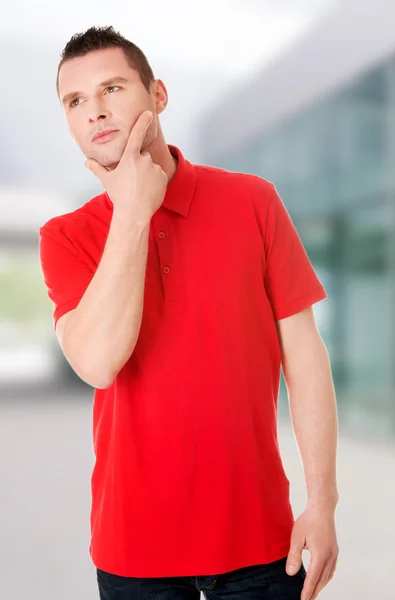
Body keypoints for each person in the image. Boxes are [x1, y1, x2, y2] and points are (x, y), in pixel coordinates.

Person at [39, 25, 339, 600]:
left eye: (113, 89)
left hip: (263, 545)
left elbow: (305, 359)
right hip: (134, 554)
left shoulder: (254, 200)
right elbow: (99, 363)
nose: (95, 112)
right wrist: (132, 212)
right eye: (75, 102)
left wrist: (322, 503)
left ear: (158, 94)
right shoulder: (65, 237)